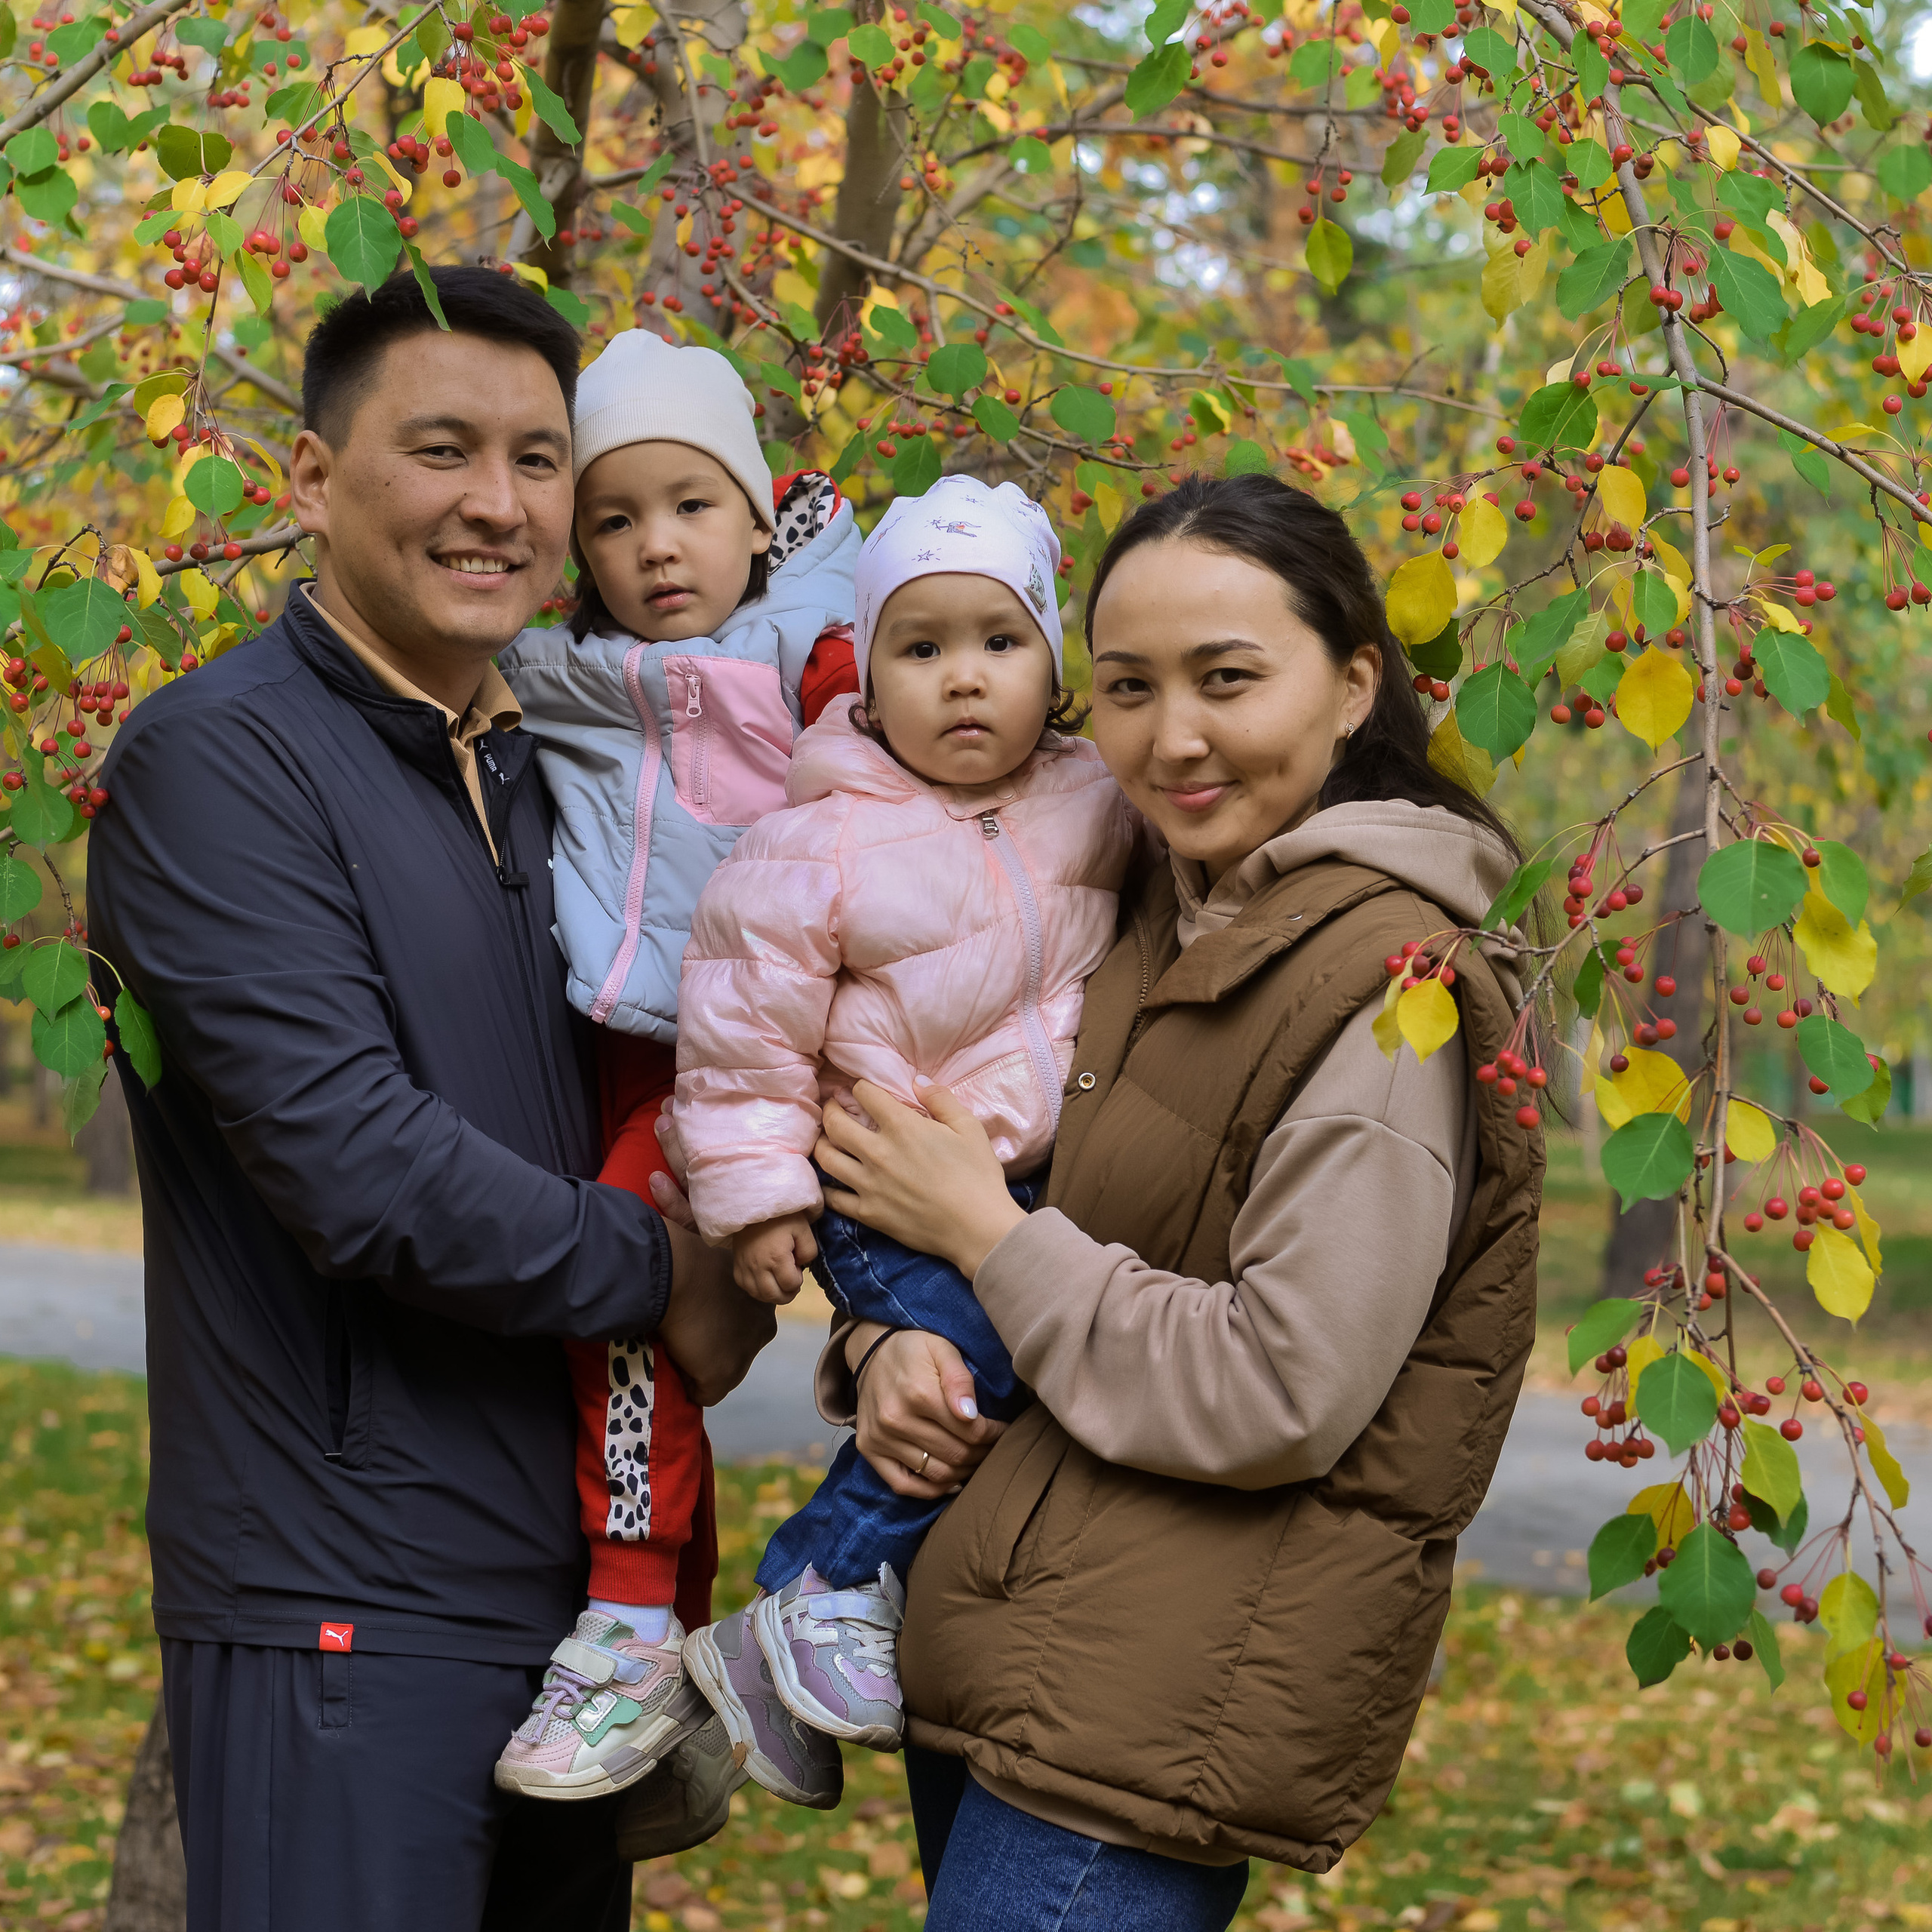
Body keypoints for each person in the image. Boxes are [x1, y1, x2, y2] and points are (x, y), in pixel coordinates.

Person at [86, 267, 773, 1932]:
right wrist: (669, 1269)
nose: (498, 504)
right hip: (342, 1589)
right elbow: (360, 1166)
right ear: (314, 477)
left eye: (539, 462)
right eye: (444, 449)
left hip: (573, 1624)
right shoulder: (217, 760)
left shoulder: (567, 769)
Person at [804, 473, 1544, 1930]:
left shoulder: (1391, 992)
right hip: (1010, 1640)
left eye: (1228, 678)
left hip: (1152, 1707)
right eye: (1129, 687)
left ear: (1354, 687)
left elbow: (1281, 1386)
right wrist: (884, 1343)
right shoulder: (1134, 909)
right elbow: (1007, 1195)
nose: (1172, 735)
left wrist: (987, 1237)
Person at [661, 476, 1134, 1802]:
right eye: (921, 648)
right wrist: (758, 1198)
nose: (964, 678)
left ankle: (795, 1640)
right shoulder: (820, 838)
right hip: (880, 1182)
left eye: (1000, 641)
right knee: (966, 1370)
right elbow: (742, 1028)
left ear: (1055, 664)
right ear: (868, 680)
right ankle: (819, 1588)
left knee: (1002, 1379)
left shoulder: (1099, 800)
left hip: (1020, 1182)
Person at [491, 330, 862, 1804]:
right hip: (632, 1057)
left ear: (759, 516)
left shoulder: (819, 656)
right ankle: (671, 1659)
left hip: (781, 1059)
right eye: (615, 517)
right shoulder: (560, 675)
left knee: (640, 1298)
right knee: (639, 1323)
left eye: (692, 504)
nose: (655, 545)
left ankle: (652, 1616)